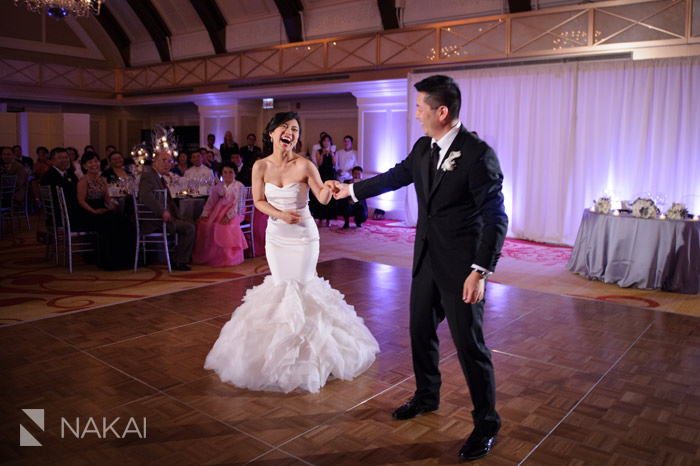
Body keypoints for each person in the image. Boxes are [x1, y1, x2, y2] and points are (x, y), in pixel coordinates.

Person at [332, 75, 508, 461]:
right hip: (426, 260)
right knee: (419, 331)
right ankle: (427, 396)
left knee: (469, 347)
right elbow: (397, 176)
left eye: (420, 108)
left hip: (463, 269)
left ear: (441, 112)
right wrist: (352, 190)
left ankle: (486, 424)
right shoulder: (424, 147)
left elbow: (496, 217)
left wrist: (480, 270)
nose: (416, 115)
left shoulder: (478, 154)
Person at [204, 112, 379, 394]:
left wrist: (331, 188)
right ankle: (279, 356)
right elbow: (259, 201)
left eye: (295, 129)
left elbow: (321, 197)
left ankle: (309, 358)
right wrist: (280, 215)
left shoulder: (306, 165)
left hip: (304, 236)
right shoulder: (259, 166)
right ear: (272, 133)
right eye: (285, 128)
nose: (290, 132)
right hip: (277, 235)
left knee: (301, 288)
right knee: (280, 288)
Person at [76, 152, 136, 270]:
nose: (94, 164)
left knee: (125, 223)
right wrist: (94, 211)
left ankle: (125, 260)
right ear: (85, 166)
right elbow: (81, 201)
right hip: (89, 212)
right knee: (111, 225)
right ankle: (109, 262)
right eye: (90, 162)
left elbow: (107, 199)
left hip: (102, 210)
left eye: (96, 161)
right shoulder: (83, 181)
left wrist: (111, 205)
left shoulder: (103, 179)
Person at [138, 150, 196, 271]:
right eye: (164, 161)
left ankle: (179, 258)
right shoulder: (148, 175)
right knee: (189, 228)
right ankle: (177, 260)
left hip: (166, 217)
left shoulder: (160, 178)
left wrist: (177, 215)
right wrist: (162, 211)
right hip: (155, 220)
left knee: (192, 222)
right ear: (154, 162)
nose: (168, 164)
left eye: (170, 162)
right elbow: (146, 196)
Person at [191, 162, 248, 267]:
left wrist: (229, 215)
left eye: (231, 172)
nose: (227, 175)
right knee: (206, 224)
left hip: (235, 212)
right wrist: (205, 213)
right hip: (219, 211)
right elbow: (211, 202)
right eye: (225, 172)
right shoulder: (218, 186)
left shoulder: (239, 186)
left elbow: (238, 204)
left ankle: (228, 256)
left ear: (235, 174)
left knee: (223, 226)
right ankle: (213, 255)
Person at [310, 133, 337, 227]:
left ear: (330, 142)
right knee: (322, 195)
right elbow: (319, 163)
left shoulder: (334, 152)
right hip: (322, 175)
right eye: (324, 140)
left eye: (328, 141)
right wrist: (323, 154)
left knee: (330, 196)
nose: (326, 142)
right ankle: (320, 219)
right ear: (322, 142)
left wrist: (332, 155)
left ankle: (329, 219)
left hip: (330, 175)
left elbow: (334, 164)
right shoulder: (318, 151)